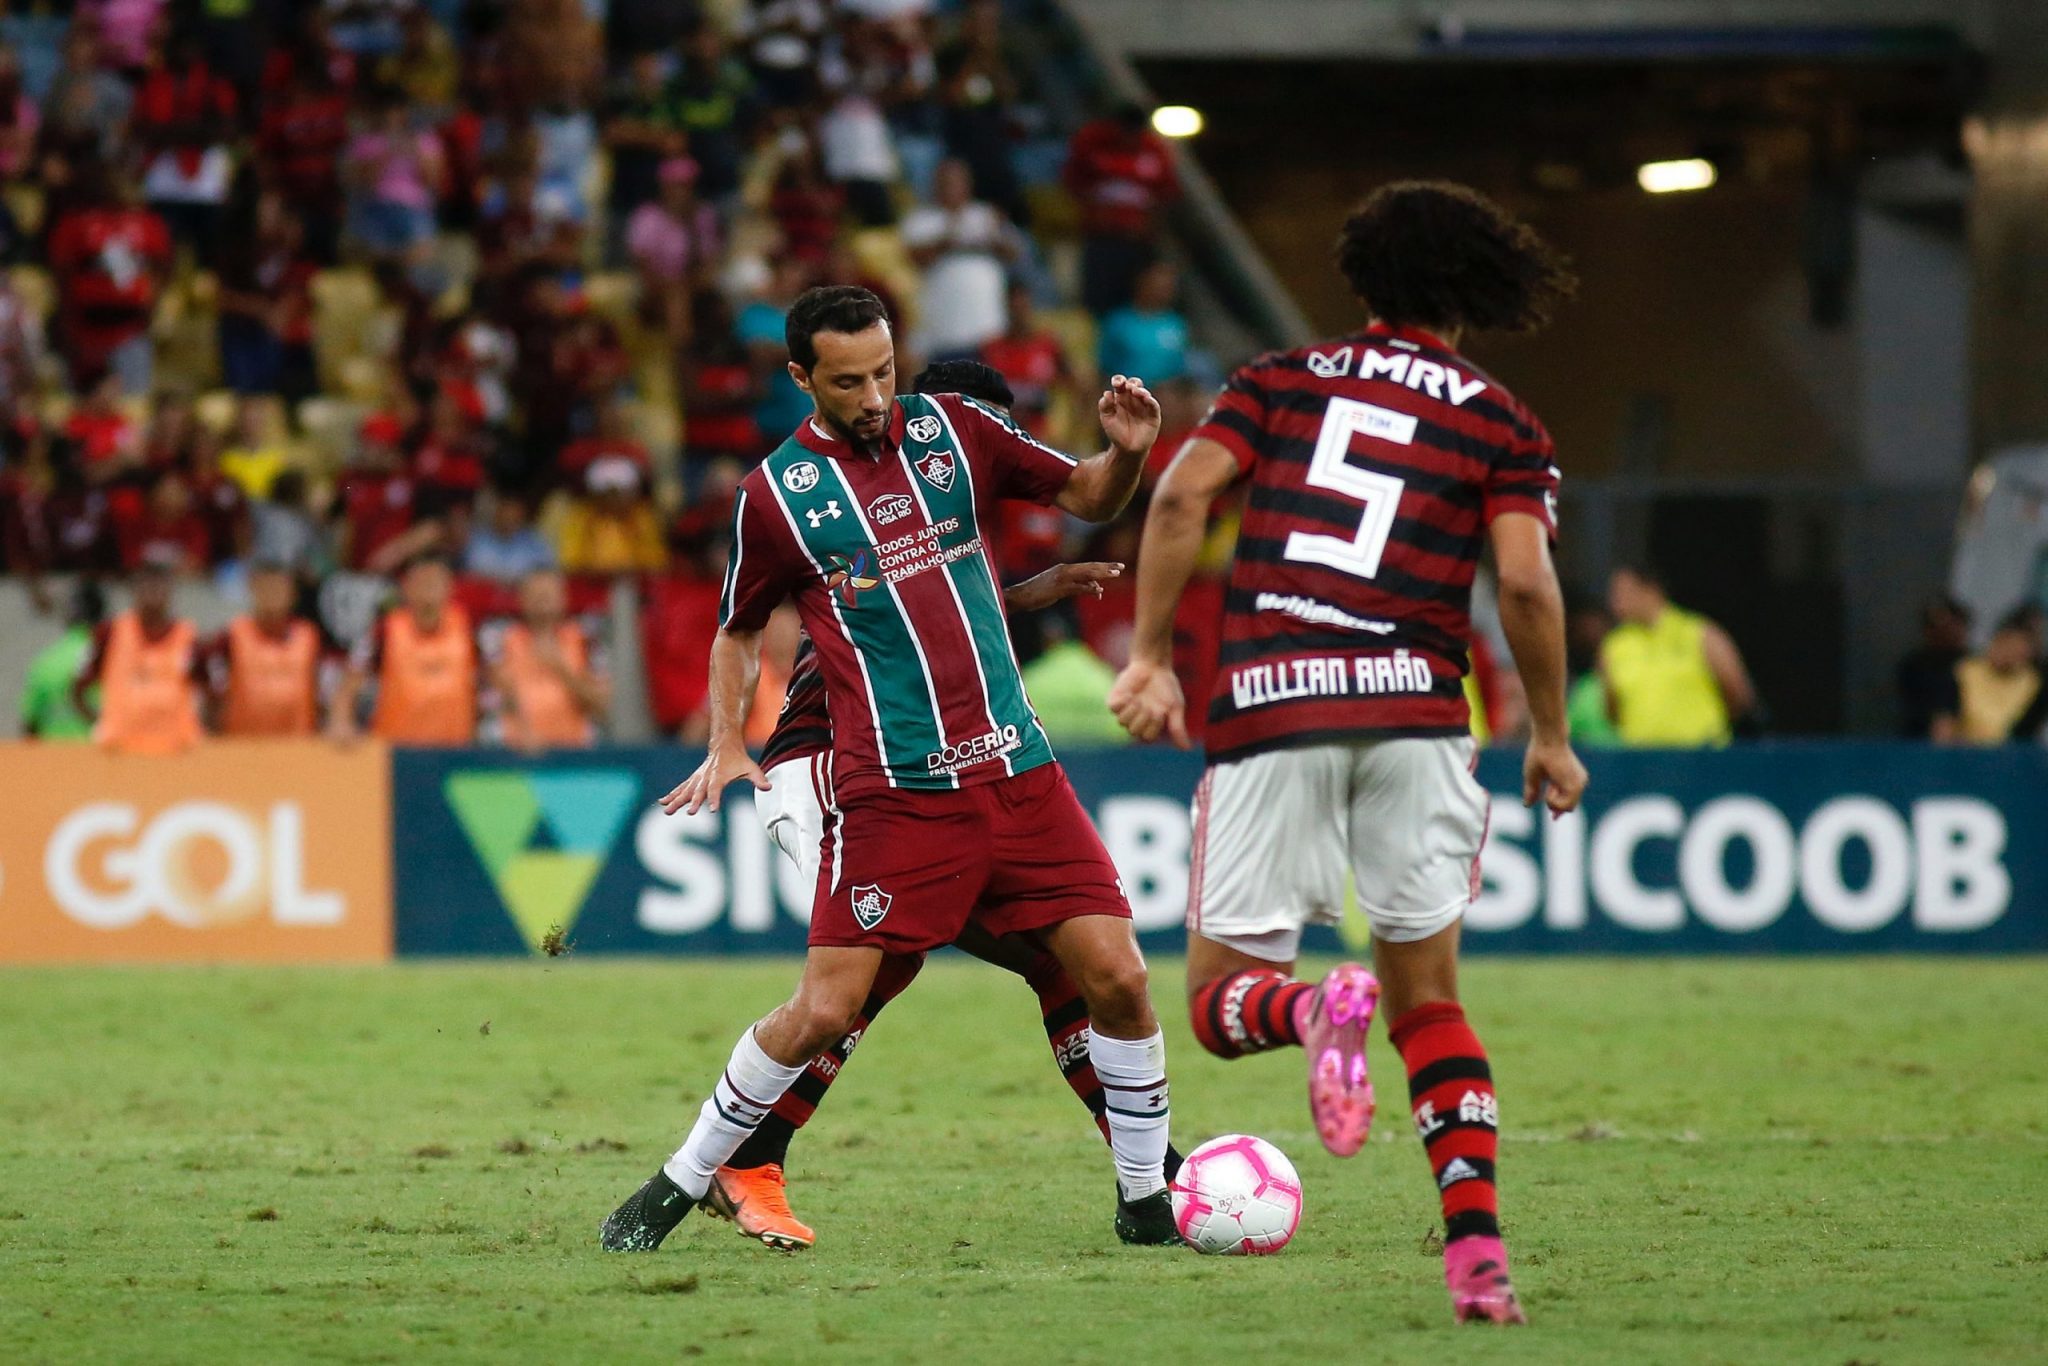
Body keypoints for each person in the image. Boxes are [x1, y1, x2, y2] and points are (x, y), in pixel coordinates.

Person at [600, 286, 1180, 1253]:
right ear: (800, 378)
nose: (874, 397)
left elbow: (1081, 499)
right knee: (837, 1000)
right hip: (877, 789)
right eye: (847, 382)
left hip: (1017, 773)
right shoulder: (776, 496)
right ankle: (695, 1173)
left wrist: (1126, 455)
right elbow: (738, 628)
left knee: (1111, 973)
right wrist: (726, 743)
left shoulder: (954, 429)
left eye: (884, 371)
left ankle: (1148, 1198)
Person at [1108, 181, 1588, 1325]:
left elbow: (1178, 499)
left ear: (1361, 277)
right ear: (1474, 287)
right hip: (1416, 713)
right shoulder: (1503, 423)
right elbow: (1524, 582)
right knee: (1430, 1005)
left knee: (1220, 1002)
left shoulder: (1279, 380)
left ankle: (1313, 1007)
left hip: (1273, 704)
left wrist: (1150, 656)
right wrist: (1550, 732)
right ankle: (1476, 1256)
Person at [1600, 565, 1755, 747]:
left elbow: (1738, 695)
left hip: (1701, 755)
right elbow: (1611, 708)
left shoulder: (1700, 633)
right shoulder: (1614, 645)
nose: (1615, 602)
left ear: (1651, 590)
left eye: (1623, 593)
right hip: (1641, 757)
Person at [331, 553, 476, 745]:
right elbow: (350, 680)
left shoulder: (469, 628)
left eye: (435, 581)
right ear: (406, 587)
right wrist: (340, 721)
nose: (428, 587)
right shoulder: (383, 630)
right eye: (422, 581)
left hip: (455, 750)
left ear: (450, 588)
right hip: (396, 749)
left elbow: (499, 677)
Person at [73, 549, 207, 755]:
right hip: (120, 752)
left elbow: (211, 691)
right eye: (146, 582)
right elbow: (78, 687)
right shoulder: (109, 633)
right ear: (133, 587)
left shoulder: (190, 638)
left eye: (159, 583)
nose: (153, 590)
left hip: (175, 752)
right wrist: (101, 723)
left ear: (171, 588)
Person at [1063, 102, 1179, 316]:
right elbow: (1073, 182)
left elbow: (1167, 194)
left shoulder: (1155, 150)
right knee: (1098, 298)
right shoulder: (1093, 142)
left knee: (1132, 297)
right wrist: (1092, 214)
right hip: (1101, 237)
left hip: (1137, 239)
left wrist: (1149, 227)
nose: (1129, 140)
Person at [901, 158, 1014, 358]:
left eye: (957, 181)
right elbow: (913, 259)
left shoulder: (986, 214)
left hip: (989, 325)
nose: (951, 188)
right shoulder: (920, 219)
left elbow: (1013, 253)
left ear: (968, 184)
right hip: (944, 328)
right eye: (946, 182)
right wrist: (945, 242)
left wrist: (991, 240)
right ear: (935, 184)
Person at [488, 567, 609, 749]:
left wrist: (562, 671)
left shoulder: (585, 639)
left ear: (564, 597)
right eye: (536, 594)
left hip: (574, 750)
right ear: (521, 599)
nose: (542, 599)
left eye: (549, 593)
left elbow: (602, 705)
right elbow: (495, 700)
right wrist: (524, 731)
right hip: (516, 750)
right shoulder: (501, 640)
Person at [208, 561, 324, 737]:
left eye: (279, 588)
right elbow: (213, 692)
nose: (273, 595)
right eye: (266, 588)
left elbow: (323, 692)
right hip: (243, 744)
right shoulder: (232, 636)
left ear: (293, 593)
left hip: (297, 744)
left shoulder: (309, 637)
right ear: (253, 589)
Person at [1938, 604, 2047, 744]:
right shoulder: (1964, 671)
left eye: (2017, 648)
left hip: (2011, 753)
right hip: (1965, 750)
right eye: (2006, 643)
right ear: (1996, 640)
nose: (2008, 652)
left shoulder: (2034, 682)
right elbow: (1944, 723)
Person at [19, 580, 106, 741]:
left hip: (52, 754)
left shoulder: (46, 662)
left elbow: (30, 726)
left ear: (68, 616)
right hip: (102, 754)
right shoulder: (114, 660)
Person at [1096, 258, 1190, 388]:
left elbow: (1180, 368)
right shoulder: (1119, 322)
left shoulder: (1176, 324)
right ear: (1142, 282)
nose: (1164, 290)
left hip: (1167, 394)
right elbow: (1104, 368)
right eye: (1158, 284)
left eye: (1169, 285)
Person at [1897, 595, 1971, 739]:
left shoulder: (1974, 665)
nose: (1944, 632)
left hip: (1972, 740)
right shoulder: (1913, 666)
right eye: (1935, 626)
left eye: (1950, 625)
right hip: (1919, 739)